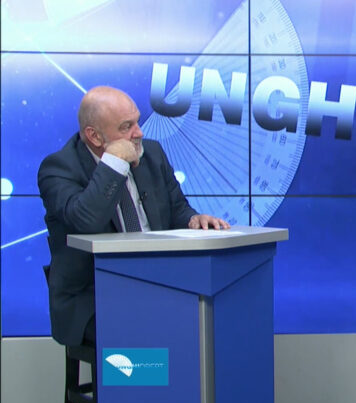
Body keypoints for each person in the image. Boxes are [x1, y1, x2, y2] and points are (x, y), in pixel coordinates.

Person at [38, 86, 230, 347]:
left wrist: (193, 220)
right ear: (94, 136)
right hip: (93, 298)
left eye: (137, 122)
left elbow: (177, 208)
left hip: (155, 286)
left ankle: (181, 373)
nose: (139, 133)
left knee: (208, 318)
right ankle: (148, 373)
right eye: (126, 127)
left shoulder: (152, 154)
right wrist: (114, 163)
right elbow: (86, 220)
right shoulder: (58, 169)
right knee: (143, 328)